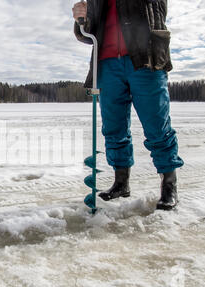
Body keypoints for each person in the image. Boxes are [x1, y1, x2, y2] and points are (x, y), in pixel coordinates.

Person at [72, 0, 184, 210]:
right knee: (114, 128)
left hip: (144, 57)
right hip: (106, 63)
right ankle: (121, 182)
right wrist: (82, 20)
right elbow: (89, 34)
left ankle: (169, 185)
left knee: (157, 125)